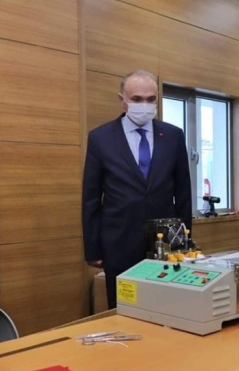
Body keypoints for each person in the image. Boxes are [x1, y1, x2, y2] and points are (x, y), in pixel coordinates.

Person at [82, 69, 192, 309]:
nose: (145, 105)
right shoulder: (101, 138)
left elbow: (183, 192)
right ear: (122, 100)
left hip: (166, 242)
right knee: (124, 306)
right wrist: (93, 249)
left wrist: (183, 241)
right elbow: (91, 198)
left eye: (151, 99)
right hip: (118, 241)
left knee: (167, 307)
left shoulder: (173, 136)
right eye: (137, 99)